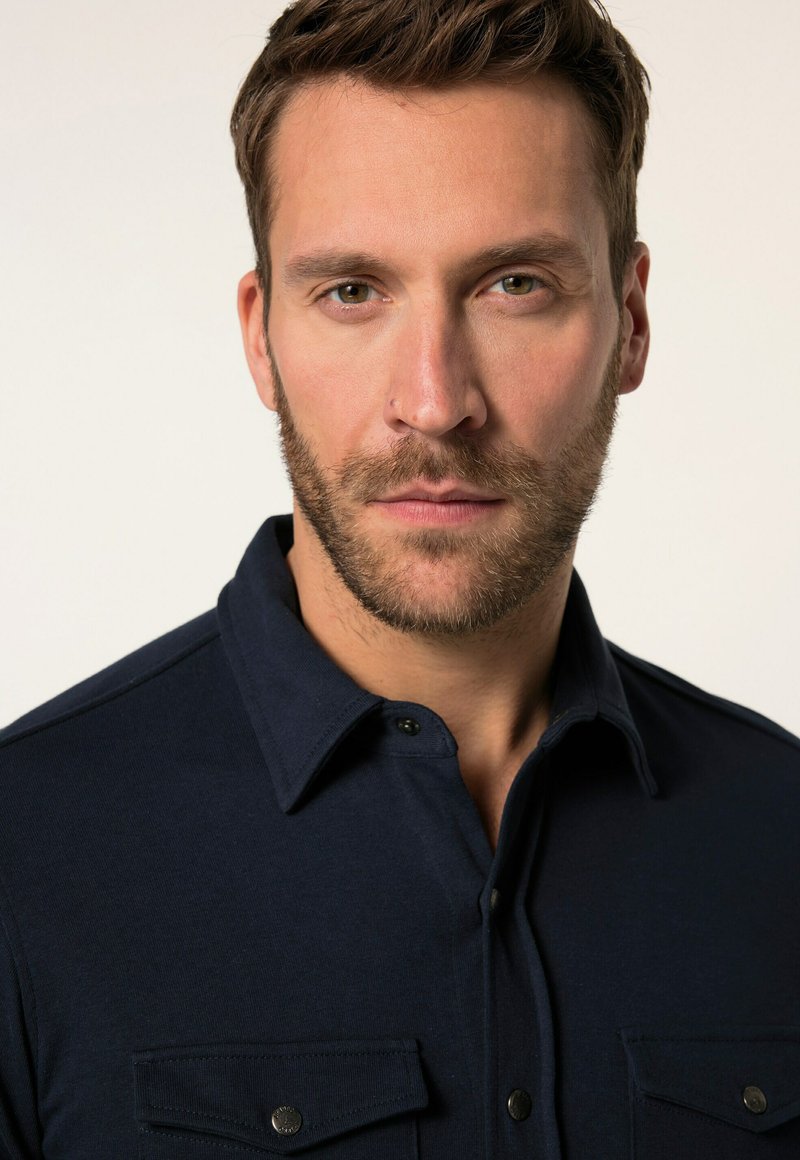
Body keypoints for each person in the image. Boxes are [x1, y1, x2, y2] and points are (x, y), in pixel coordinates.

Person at [1, 0, 798, 1156]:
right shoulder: (23, 859)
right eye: (351, 291)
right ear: (260, 336)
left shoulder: (780, 831)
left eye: (513, 284)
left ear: (628, 321)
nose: (433, 401)